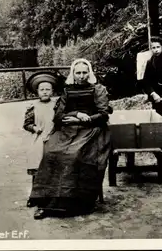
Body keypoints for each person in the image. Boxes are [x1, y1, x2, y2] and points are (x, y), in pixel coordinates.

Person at [28, 58, 112, 220]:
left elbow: (103, 114)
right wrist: (75, 115)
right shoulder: (67, 91)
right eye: (78, 72)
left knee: (74, 155)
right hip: (67, 130)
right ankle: (47, 201)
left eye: (84, 72)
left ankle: (72, 202)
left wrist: (83, 119)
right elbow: (58, 116)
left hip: (92, 129)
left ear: (89, 73)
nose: (81, 76)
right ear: (73, 73)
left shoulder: (98, 89)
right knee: (51, 152)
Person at [23, 71, 64, 188]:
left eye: (48, 89)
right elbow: (26, 124)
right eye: (42, 90)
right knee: (37, 159)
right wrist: (34, 128)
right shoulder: (33, 106)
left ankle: (53, 190)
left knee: (55, 162)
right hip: (39, 137)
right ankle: (36, 191)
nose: (45, 92)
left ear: (52, 91)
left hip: (54, 135)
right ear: (37, 92)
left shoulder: (57, 105)